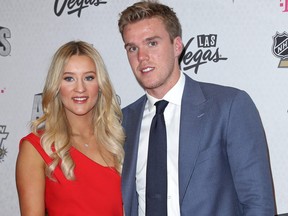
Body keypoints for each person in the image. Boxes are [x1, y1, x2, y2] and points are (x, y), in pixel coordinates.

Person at [118, 1, 275, 215]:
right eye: (132, 48)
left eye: (152, 43)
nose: (141, 57)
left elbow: (258, 202)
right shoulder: (124, 121)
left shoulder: (229, 106)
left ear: (177, 46)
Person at [16, 41, 125, 216]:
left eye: (89, 77)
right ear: (56, 86)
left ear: (100, 84)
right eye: (69, 78)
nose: (80, 88)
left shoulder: (117, 142)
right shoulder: (36, 148)